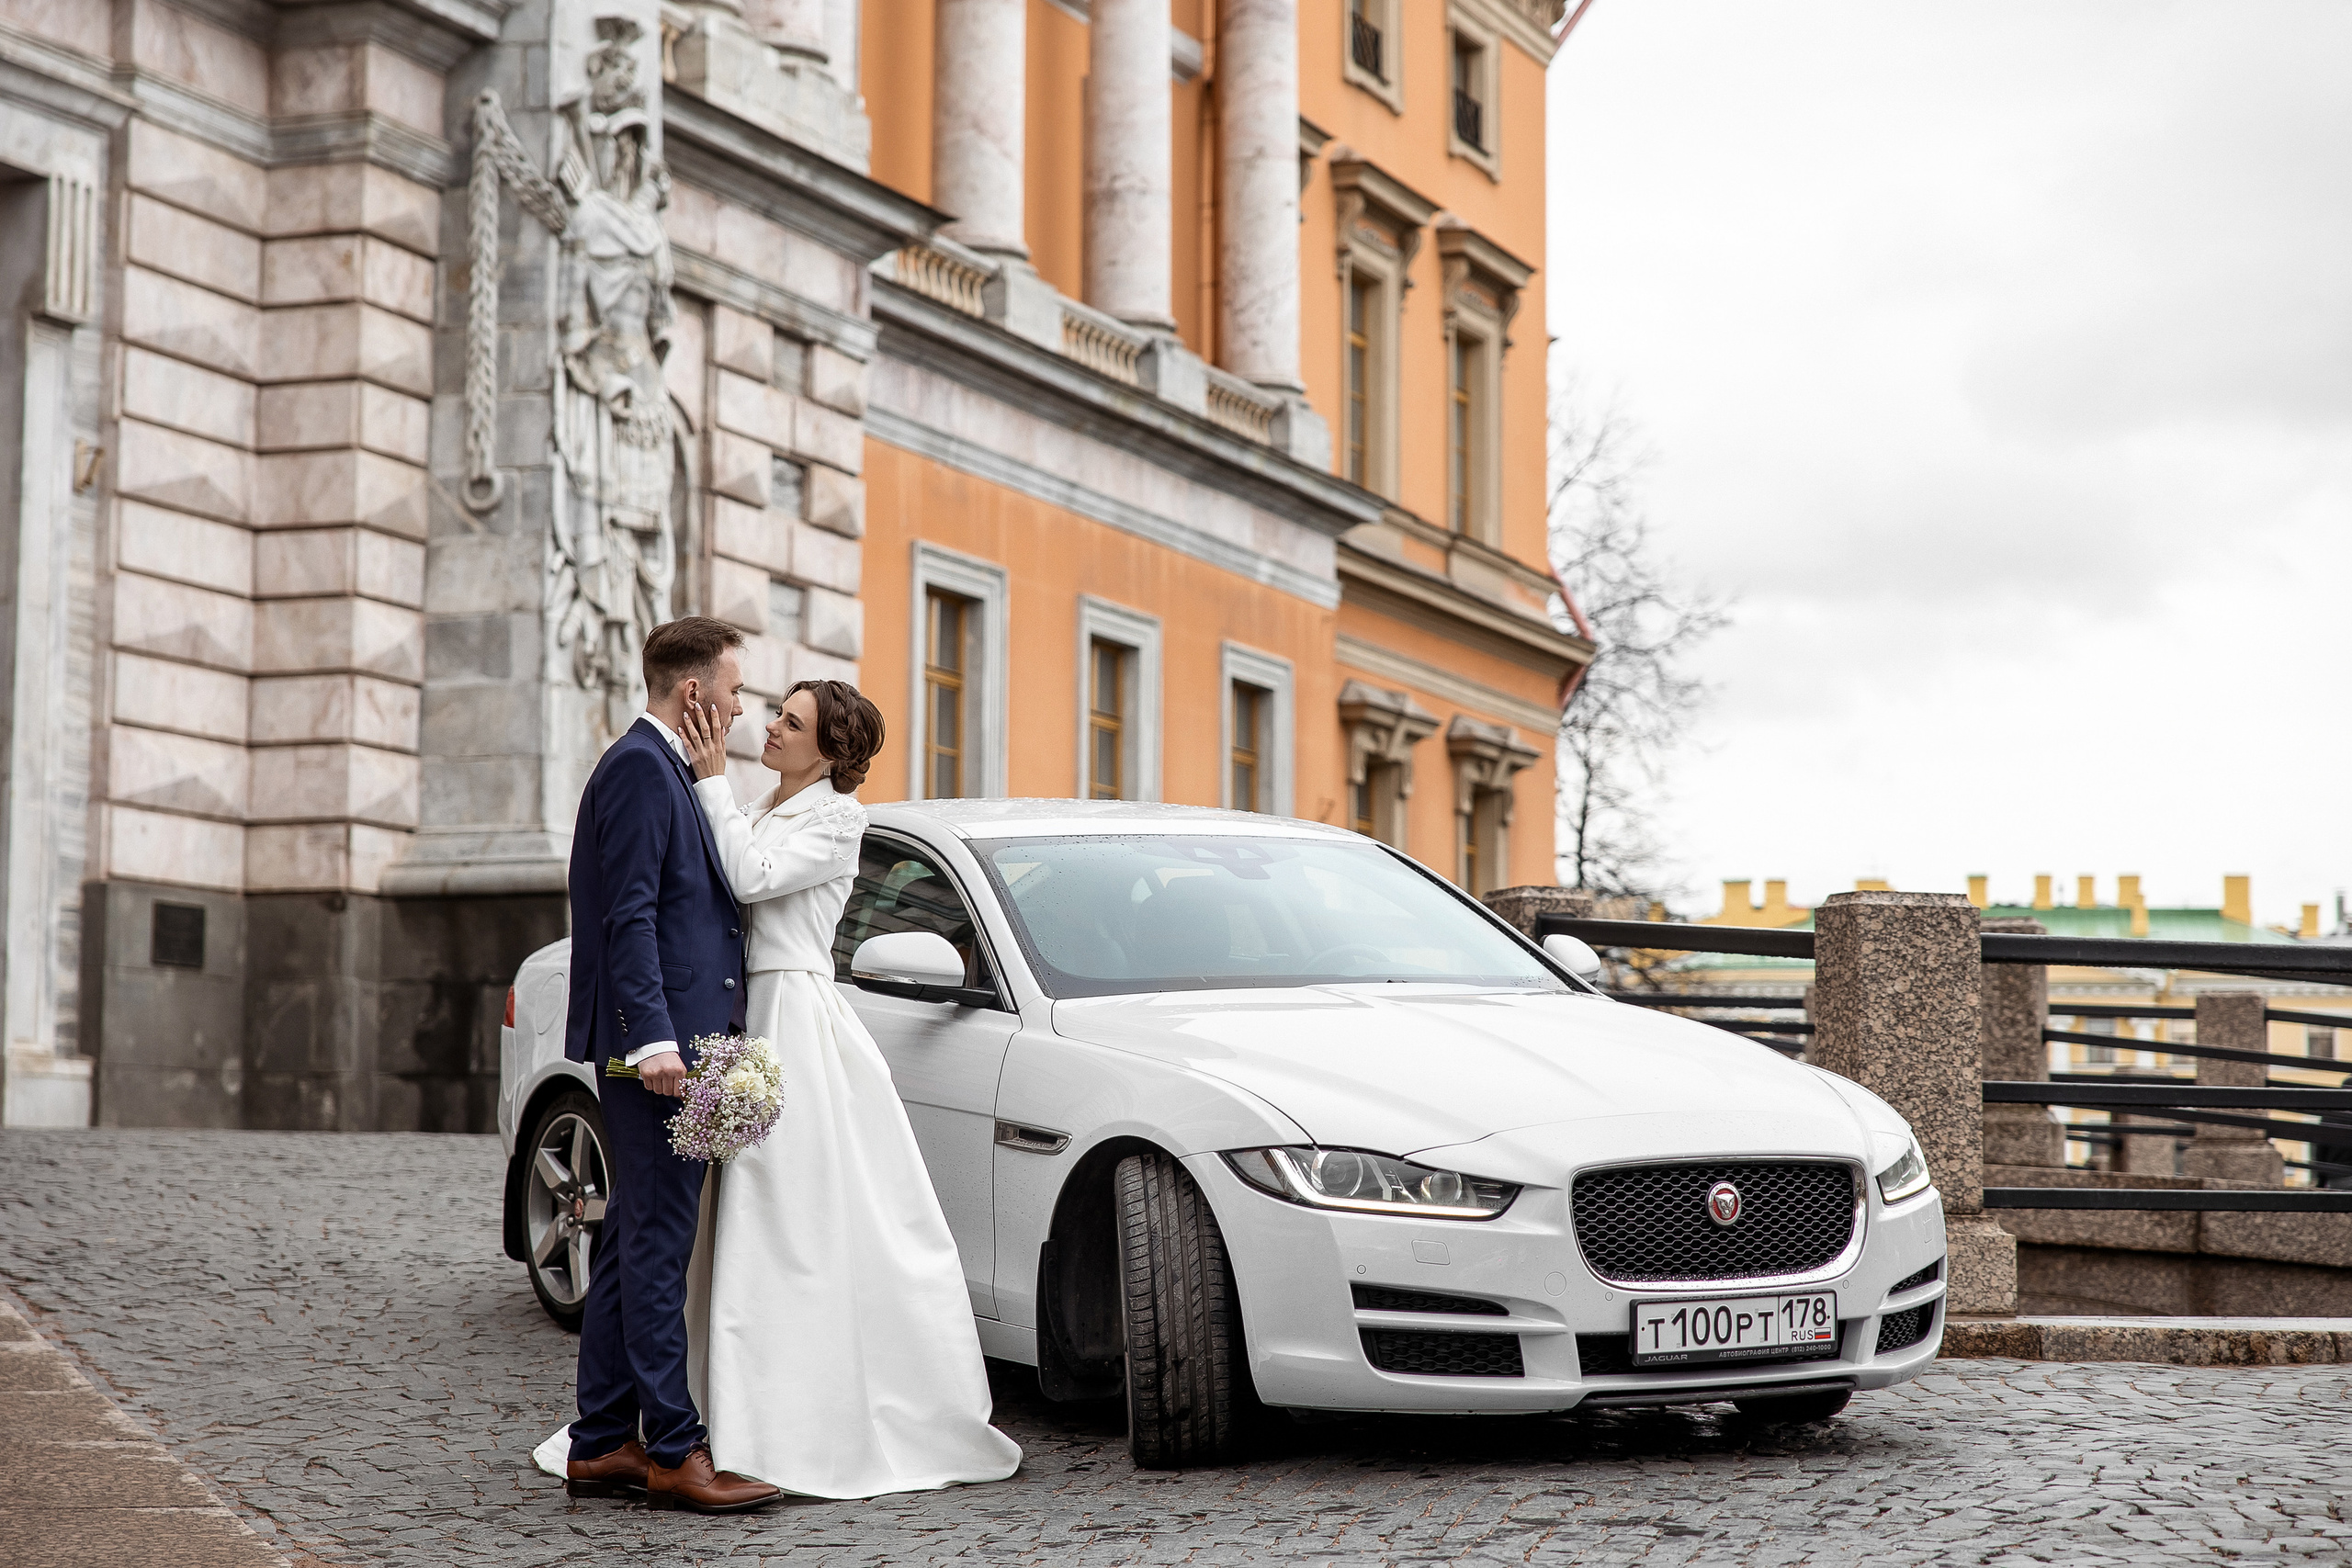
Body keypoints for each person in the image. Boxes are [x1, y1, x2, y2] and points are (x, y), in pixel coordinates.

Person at [670, 677, 1023, 1498]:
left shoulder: (838, 817)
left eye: (793, 723)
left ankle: (786, 1415)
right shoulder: (760, 802)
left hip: (790, 1018)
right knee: (722, 1214)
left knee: (785, 1211)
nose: (774, 728)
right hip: (740, 1014)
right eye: (779, 714)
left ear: (830, 750)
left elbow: (753, 878)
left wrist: (709, 777)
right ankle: (701, 1403)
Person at [538, 617, 782, 1514]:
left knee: (637, 1232)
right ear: (694, 695)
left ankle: (603, 1439)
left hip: (674, 1041)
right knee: (655, 1244)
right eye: (733, 689)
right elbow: (629, 915)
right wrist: (652, 1044)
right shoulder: (642, 769)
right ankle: (674, 1449)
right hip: (659, 1051)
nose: (739, 704)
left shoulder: (662, 768)